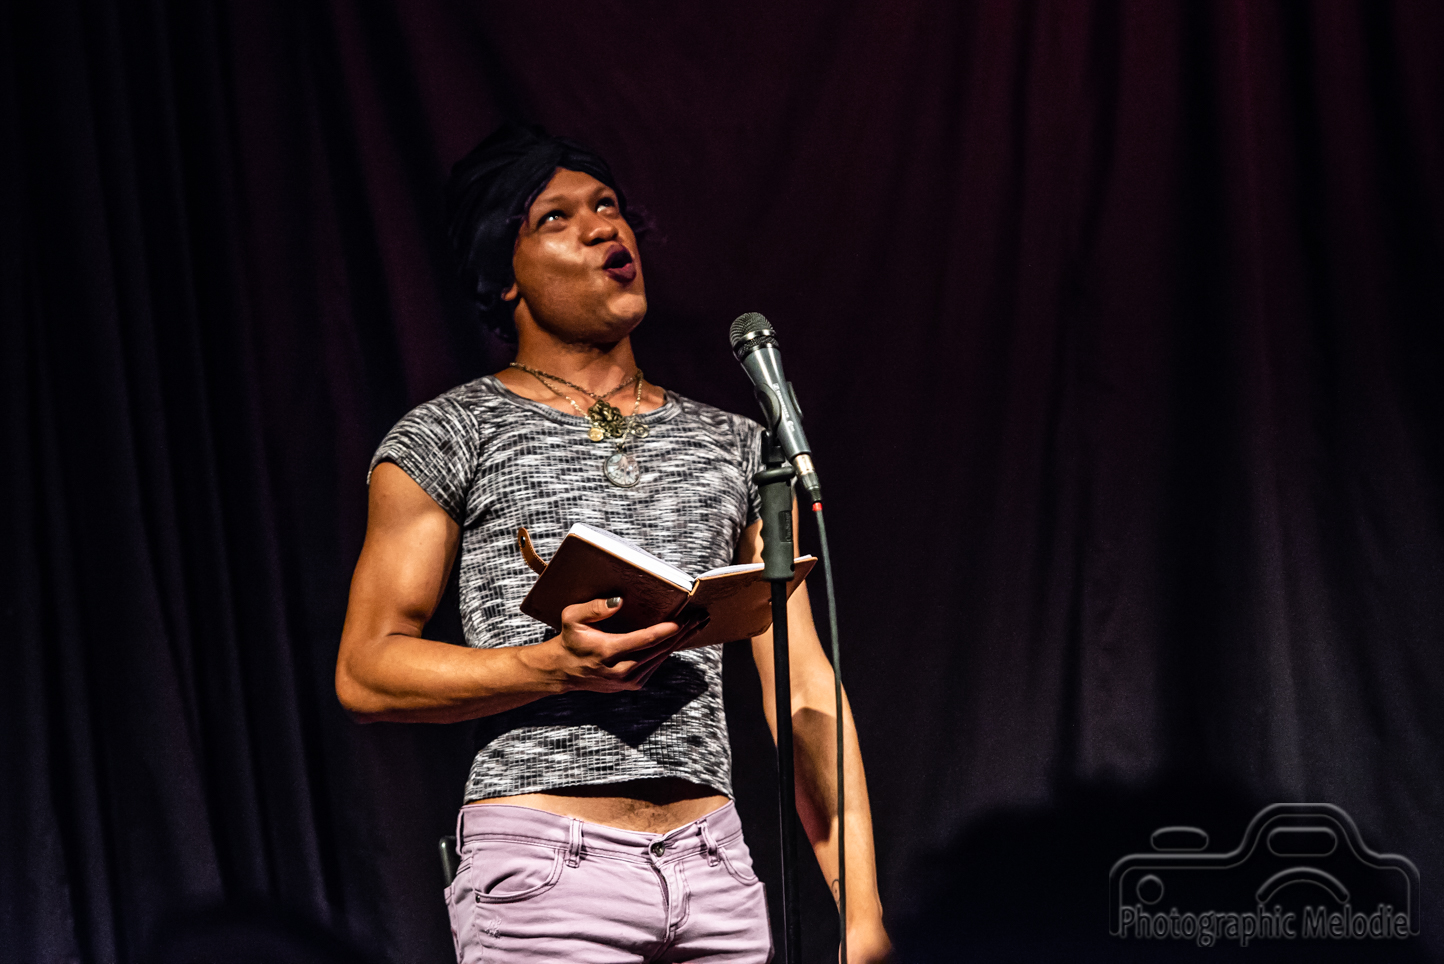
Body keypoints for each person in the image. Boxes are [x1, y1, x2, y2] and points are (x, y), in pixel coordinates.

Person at [335, 124, 892, 963]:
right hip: (547, 872)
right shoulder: (450, 433)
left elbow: (803, 684)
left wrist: (862, 916)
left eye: (607, 206)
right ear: (504, 276)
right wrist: (550, 667)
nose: (602, 227)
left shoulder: (735, 445)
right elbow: (366, 669)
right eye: (555, 218)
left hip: (715, 870)